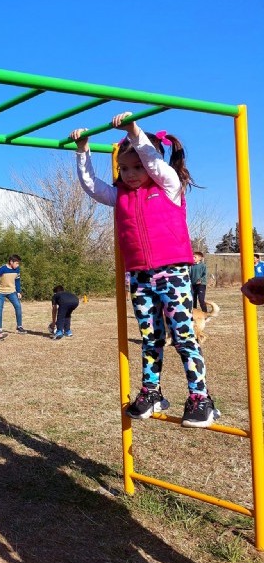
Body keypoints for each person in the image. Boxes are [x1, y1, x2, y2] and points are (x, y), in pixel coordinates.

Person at [70, 111, 216, 428]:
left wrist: (135, 132)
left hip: (172, 273)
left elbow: (153, 163)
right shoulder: (119, 195)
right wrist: (83, 151)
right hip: (139, 277)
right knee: (150, 338)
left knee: (183, 336)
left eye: (137, 166)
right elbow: (92, 185)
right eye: (124, 168)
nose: (132, 173)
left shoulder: (168, 185)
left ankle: (200, 397)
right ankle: (151, 392)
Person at [0, 254, 26, 334]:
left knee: (18, 306)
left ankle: (19, 326)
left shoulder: (17, 270)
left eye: (18, 264)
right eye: (16, 263)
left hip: (11, 291)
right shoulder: (2, 269)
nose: (18, 265)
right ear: (11, 262)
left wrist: (18, 291)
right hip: (0, 292)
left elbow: (17, 281)